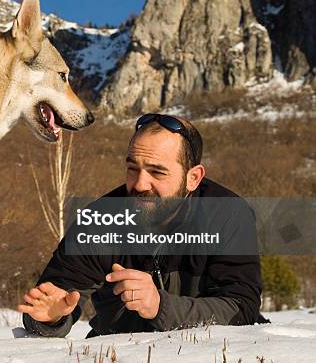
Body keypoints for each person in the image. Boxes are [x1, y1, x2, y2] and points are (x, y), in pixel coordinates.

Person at [20, 114, 268, 338]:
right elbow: (47, 303)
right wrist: (51, 318)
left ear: (193, 178)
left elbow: (242, 309)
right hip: (119, 352)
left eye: (157, 172)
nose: (140, 184)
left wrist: (160, 306)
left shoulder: (228, 215)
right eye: (132, 168)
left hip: (208, 351)